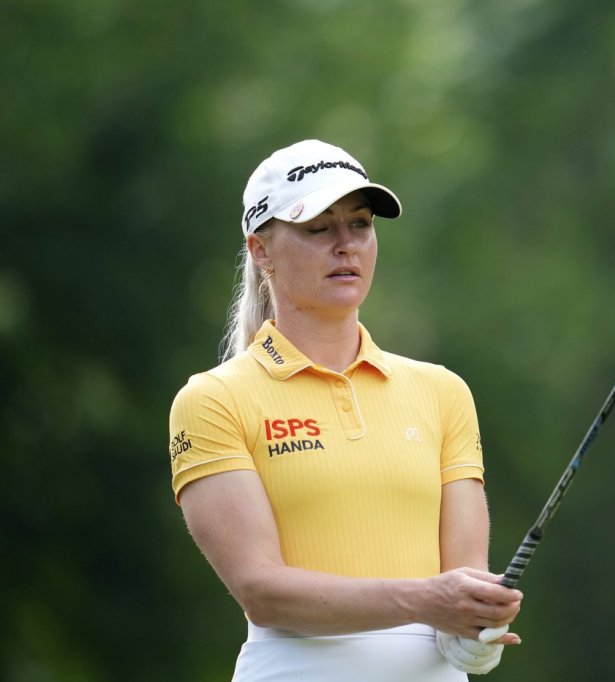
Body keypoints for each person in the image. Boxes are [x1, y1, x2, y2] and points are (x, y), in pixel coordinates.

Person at [167, 139, 522, 681]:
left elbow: (463, 581)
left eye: (359, 224)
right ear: (260, 250)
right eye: (318, 228)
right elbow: (263, 593)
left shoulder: (442, 392)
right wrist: (427, 601)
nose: (346, 245)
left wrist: (476, 629)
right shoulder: (214, 400)